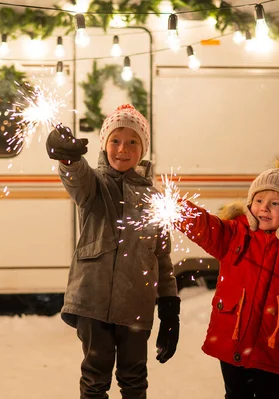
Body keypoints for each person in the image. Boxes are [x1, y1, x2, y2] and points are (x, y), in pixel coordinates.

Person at [46, 104, 180, 399]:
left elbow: (161, 256)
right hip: (92, 300)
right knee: (95, 377)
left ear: (142, 149)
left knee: (134, 379)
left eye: (133, 141)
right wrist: (68, 158)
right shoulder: (93, 184)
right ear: (105, 144)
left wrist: (170, 308)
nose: (123, 149)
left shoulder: (155, 197)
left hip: (136, 302)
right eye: (115, 140)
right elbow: (76, 177)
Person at [176, 154, 279, 399]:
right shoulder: (232, 235)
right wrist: (177, 208)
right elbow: (204, 226)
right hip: (232, 338)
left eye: (275, 203)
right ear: (250, 202)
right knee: (235, 394)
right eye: (260, 199)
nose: (264, 207)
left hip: (270, 347)